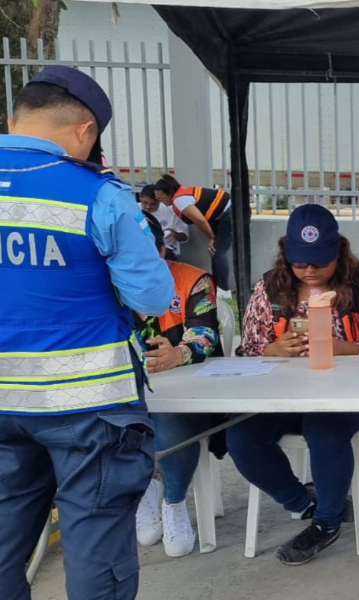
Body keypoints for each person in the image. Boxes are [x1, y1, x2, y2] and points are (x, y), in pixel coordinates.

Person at [0, 66, 173, 600]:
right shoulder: (99, 195)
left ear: (14, 120)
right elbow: (152, 297)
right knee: (96, 550)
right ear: (86, 132)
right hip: (91, 407)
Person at [229, 204, 359, 565]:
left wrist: (343, 348)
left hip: (348, 395)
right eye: (300, 262)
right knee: (241, 436)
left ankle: (326, 523)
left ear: (338, 251)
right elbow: (248, 347)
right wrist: (273, 348)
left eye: (319, 262)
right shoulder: (271, 287)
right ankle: (304, 503)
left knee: (322, 426)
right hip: (284, 394)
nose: (309, 270)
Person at [133, 213, 222, 558]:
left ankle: (173, 502)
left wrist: (181, 352)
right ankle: (143, 494)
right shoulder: (101, 283)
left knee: (170, 422)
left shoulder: (193, 280)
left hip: (183, 391)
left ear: (162, 250)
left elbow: (205, 333)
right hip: (124, 390)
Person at [154, 174, 233, 294]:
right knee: (216, 251)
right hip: (222, 215)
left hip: (229, 214)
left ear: (169, 193)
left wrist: (211, 237)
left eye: (161, 199)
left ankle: (223, 290)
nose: (161, 202)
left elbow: (200, 220)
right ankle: (218, 287)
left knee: (218, 251)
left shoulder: (179, 200)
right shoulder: (182, 193)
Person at [139, 183, 190, 258]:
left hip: (167, 251)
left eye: (153, 204)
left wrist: (173, 233)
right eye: (145, 202)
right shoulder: (133, 210)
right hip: (141, 251)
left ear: (159, 200)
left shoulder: (172, 211)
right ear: (140, 197)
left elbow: (185, 237)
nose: (148, 206)